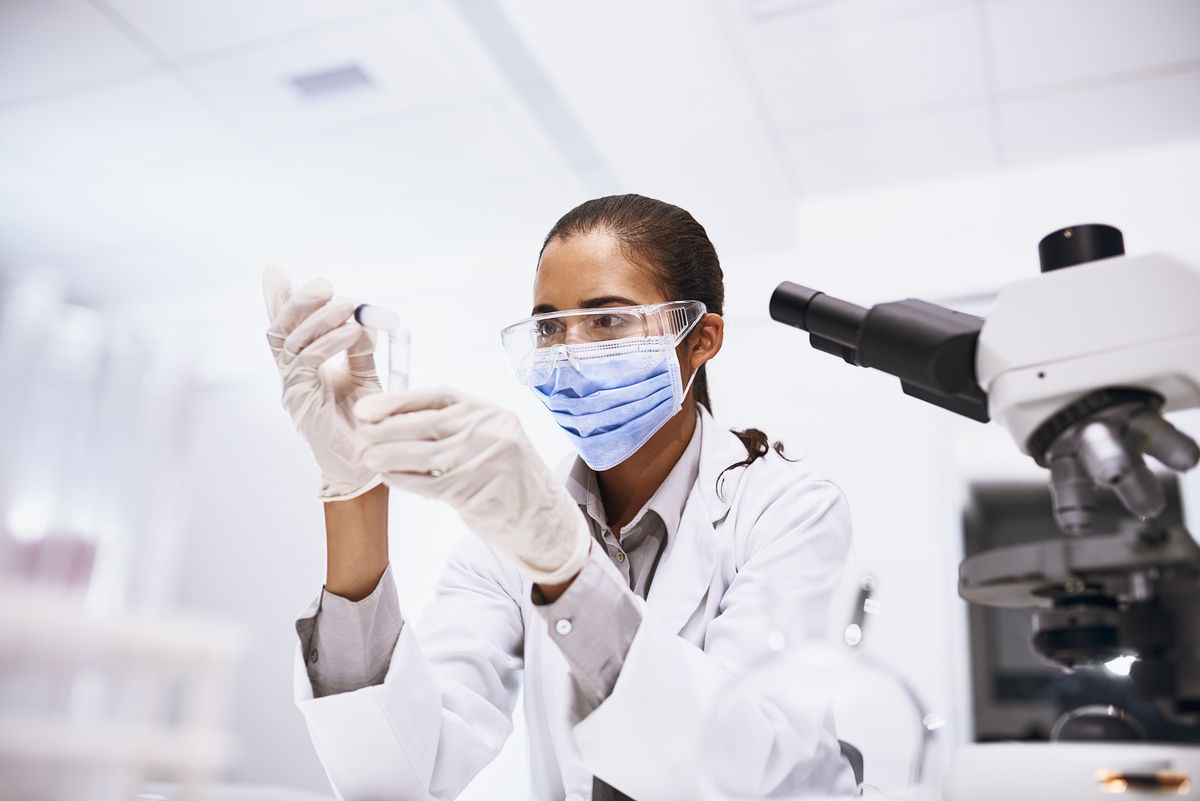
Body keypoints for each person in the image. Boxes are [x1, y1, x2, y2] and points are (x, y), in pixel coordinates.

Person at [263, 194, 857, 800]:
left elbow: (739, 759)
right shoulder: (503, 540)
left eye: (607, 319)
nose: (569, 355)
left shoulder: (787, 511)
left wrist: (567, 568)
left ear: (700, 340)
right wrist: (355, 487)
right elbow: (401, 775)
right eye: (549, 327)